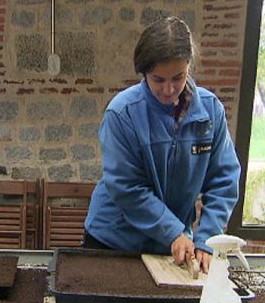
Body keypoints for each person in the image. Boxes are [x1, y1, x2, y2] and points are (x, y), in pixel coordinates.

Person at [83, 16, 241, 273]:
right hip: (115, 242)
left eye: (178, 77)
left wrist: (207, 240)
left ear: (189, 67)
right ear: (144, 73)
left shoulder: (210, 112)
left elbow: (224, 179)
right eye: (158, 80)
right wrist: (173, 231)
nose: (169, 90)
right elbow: (126, 187)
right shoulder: (122, 114)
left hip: (173, 245)